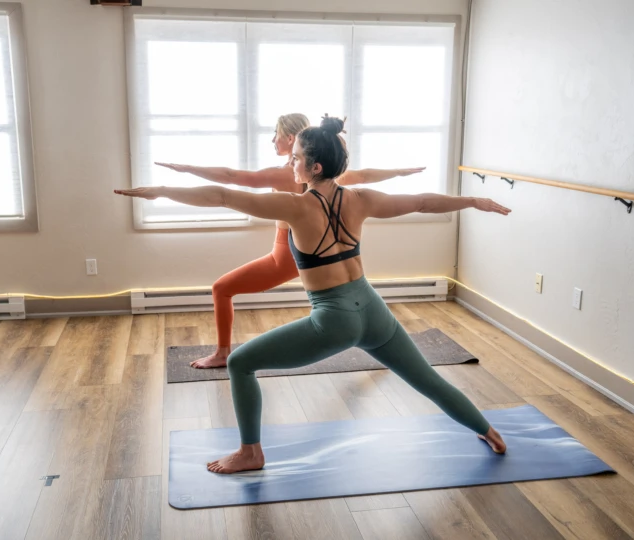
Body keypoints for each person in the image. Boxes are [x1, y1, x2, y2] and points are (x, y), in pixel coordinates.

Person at [114, 116, 511, 474]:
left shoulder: (296, 207)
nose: (292, 164)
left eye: (297, 158)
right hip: (373, 310)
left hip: (334, 320)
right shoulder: (361, 198)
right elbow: (423, 202)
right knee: (426, 379)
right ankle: (488, 431)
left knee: (240, 363)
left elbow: (221, 195)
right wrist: (472, 200)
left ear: (314, 166)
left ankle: (250, 452)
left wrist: (159, 192)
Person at [155, 113, 424, 369]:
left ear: (292, 138)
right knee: (346, 306)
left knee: (221, 288)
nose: (273, 139)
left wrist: (187, 169)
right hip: (322, 255)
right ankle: (379, 344)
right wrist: (398, 172)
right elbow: (363, 175)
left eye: (277, 133)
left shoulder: (282, 174)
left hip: (287, 258)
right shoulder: (327, 172)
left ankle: (222, 353)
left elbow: (230, 178)